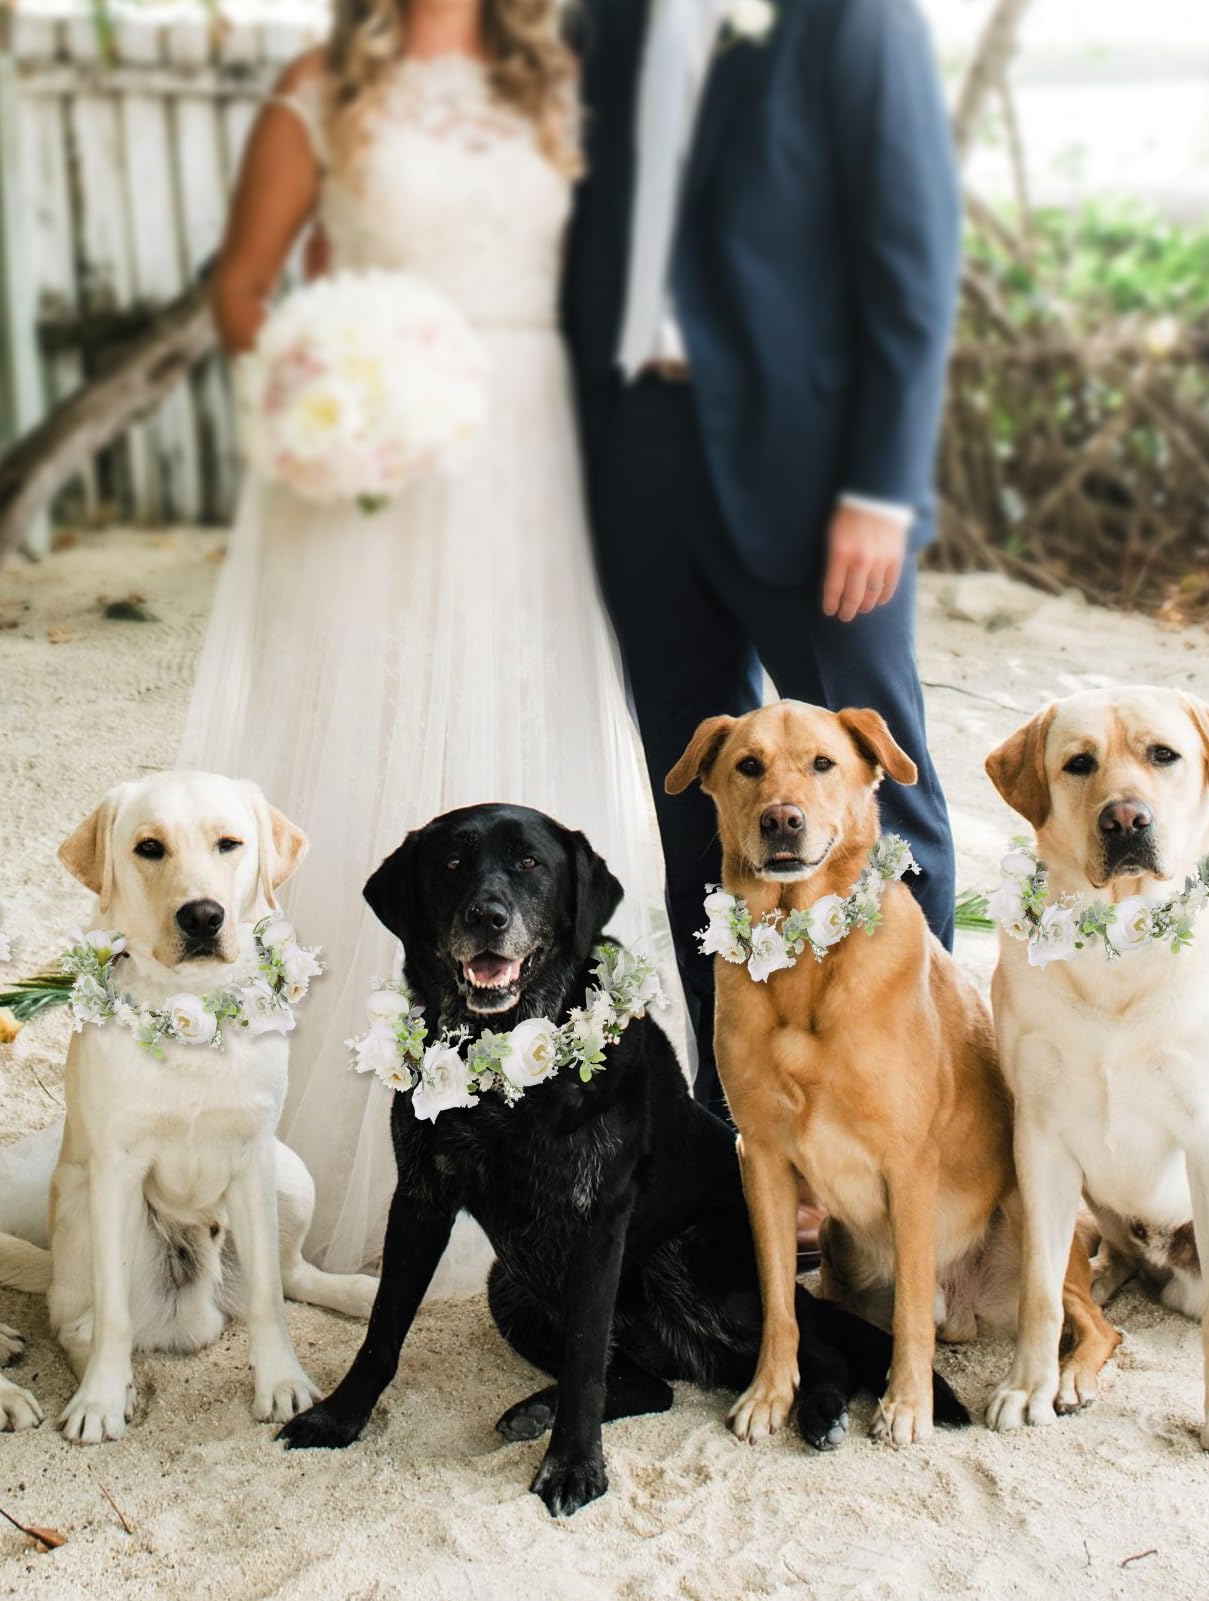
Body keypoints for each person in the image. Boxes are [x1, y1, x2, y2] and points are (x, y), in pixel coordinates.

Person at [176, 0, 683, 1285]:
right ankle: (331, 1158)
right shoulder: (319, 85)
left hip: (530, 471)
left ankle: (555, 1143)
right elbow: (245, 290)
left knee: (526, 736)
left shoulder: (561, 87)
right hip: (375, 485)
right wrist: (326, 411)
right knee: (364, 755)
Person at [563, 0, 963, 1115]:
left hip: (813, 467)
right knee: (700, 803)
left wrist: (880, 488)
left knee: (878, 787)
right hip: (638, 457)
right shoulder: (600, 26)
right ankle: (744, 1127)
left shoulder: (855, 20)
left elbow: (910, 255)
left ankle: (908, 1105)